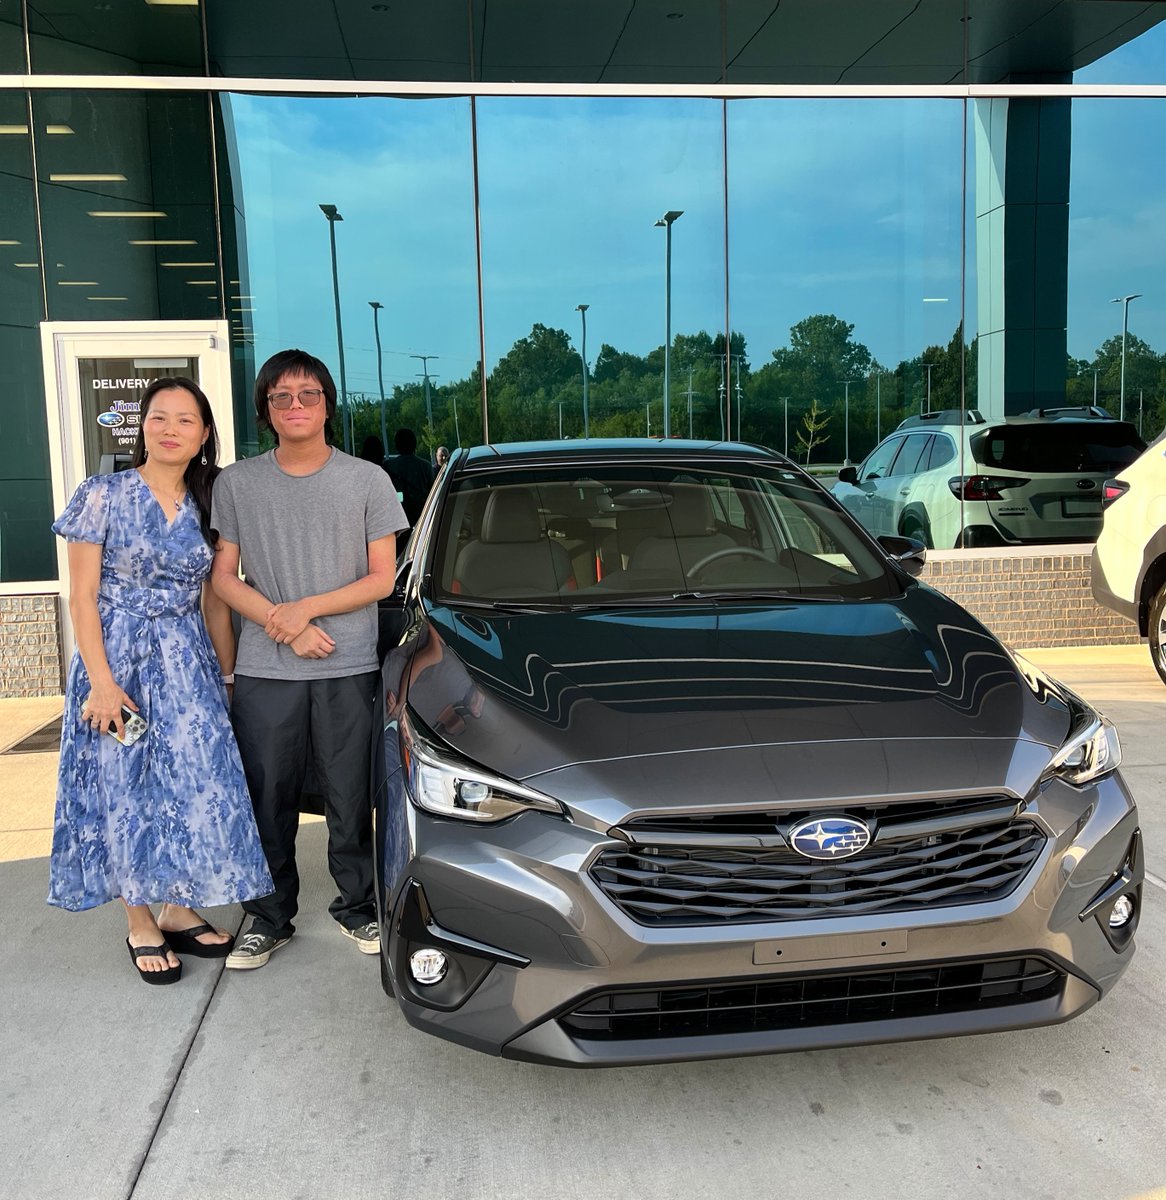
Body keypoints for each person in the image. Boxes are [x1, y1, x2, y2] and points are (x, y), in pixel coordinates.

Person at [49, 377, 273, 985]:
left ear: (204, 434)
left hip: (187, 662)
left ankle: (176, 906)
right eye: (159, 417)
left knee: (193, 783)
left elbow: (213, 602)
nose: (170, 429)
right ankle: (140, 918)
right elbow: (84, 596)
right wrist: (100, 681)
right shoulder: (105, 494)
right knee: (126, 787)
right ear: (143, 426)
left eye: (185, 420)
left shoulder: (209, 501)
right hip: (116, 661)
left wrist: (225, 676)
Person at [211, 348, 407, 970]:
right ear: (266, 410)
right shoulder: (237, 482)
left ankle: (356, 906)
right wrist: (283, 624)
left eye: (308, 394)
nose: (295, 406)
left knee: (351, 793)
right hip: (267, 670)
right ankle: (269, 916)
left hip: (346, 663)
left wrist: (304, 610)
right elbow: (224, 577)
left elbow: (383, 578)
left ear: (327, 403)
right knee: (267, 795)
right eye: (281, 397)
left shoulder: (367, 479)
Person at [383, 427, 434, 529]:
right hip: (422, 519)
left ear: (397, 445)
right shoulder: (425, 466)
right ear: (414, 444)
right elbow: (432, 493)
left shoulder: (388, 466)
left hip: (397, 520)